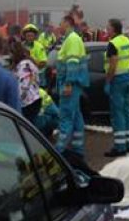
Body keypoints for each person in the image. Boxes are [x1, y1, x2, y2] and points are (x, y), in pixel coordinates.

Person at [55, 14, 89, 156]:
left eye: (61, 23)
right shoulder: (70, 39)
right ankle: (77, 150)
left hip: (70, 84)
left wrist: (68, 83)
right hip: (72, 84)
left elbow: (72, 63)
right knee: (76, 118)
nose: (59, 26)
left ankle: (58, 152)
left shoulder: (72, 39)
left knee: (66, 117)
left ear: (67, 23)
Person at [104, 18, 129, 157]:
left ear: (114, 29)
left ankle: (119, 146)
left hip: (117, 81)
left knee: (118, 114)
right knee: (127, 111)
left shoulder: (113, 44)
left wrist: (108, 81)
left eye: (108, 27)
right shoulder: (127, 40)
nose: (106, 30)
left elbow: (113, 63)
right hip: (128, 78)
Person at [7, 39, 43, 122]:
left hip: (29, 103)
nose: (9, 56)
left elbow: (23, 87)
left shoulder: (24, 65)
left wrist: (13, 101)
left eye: (11, 53)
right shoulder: (23, 64)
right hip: (32, 101)